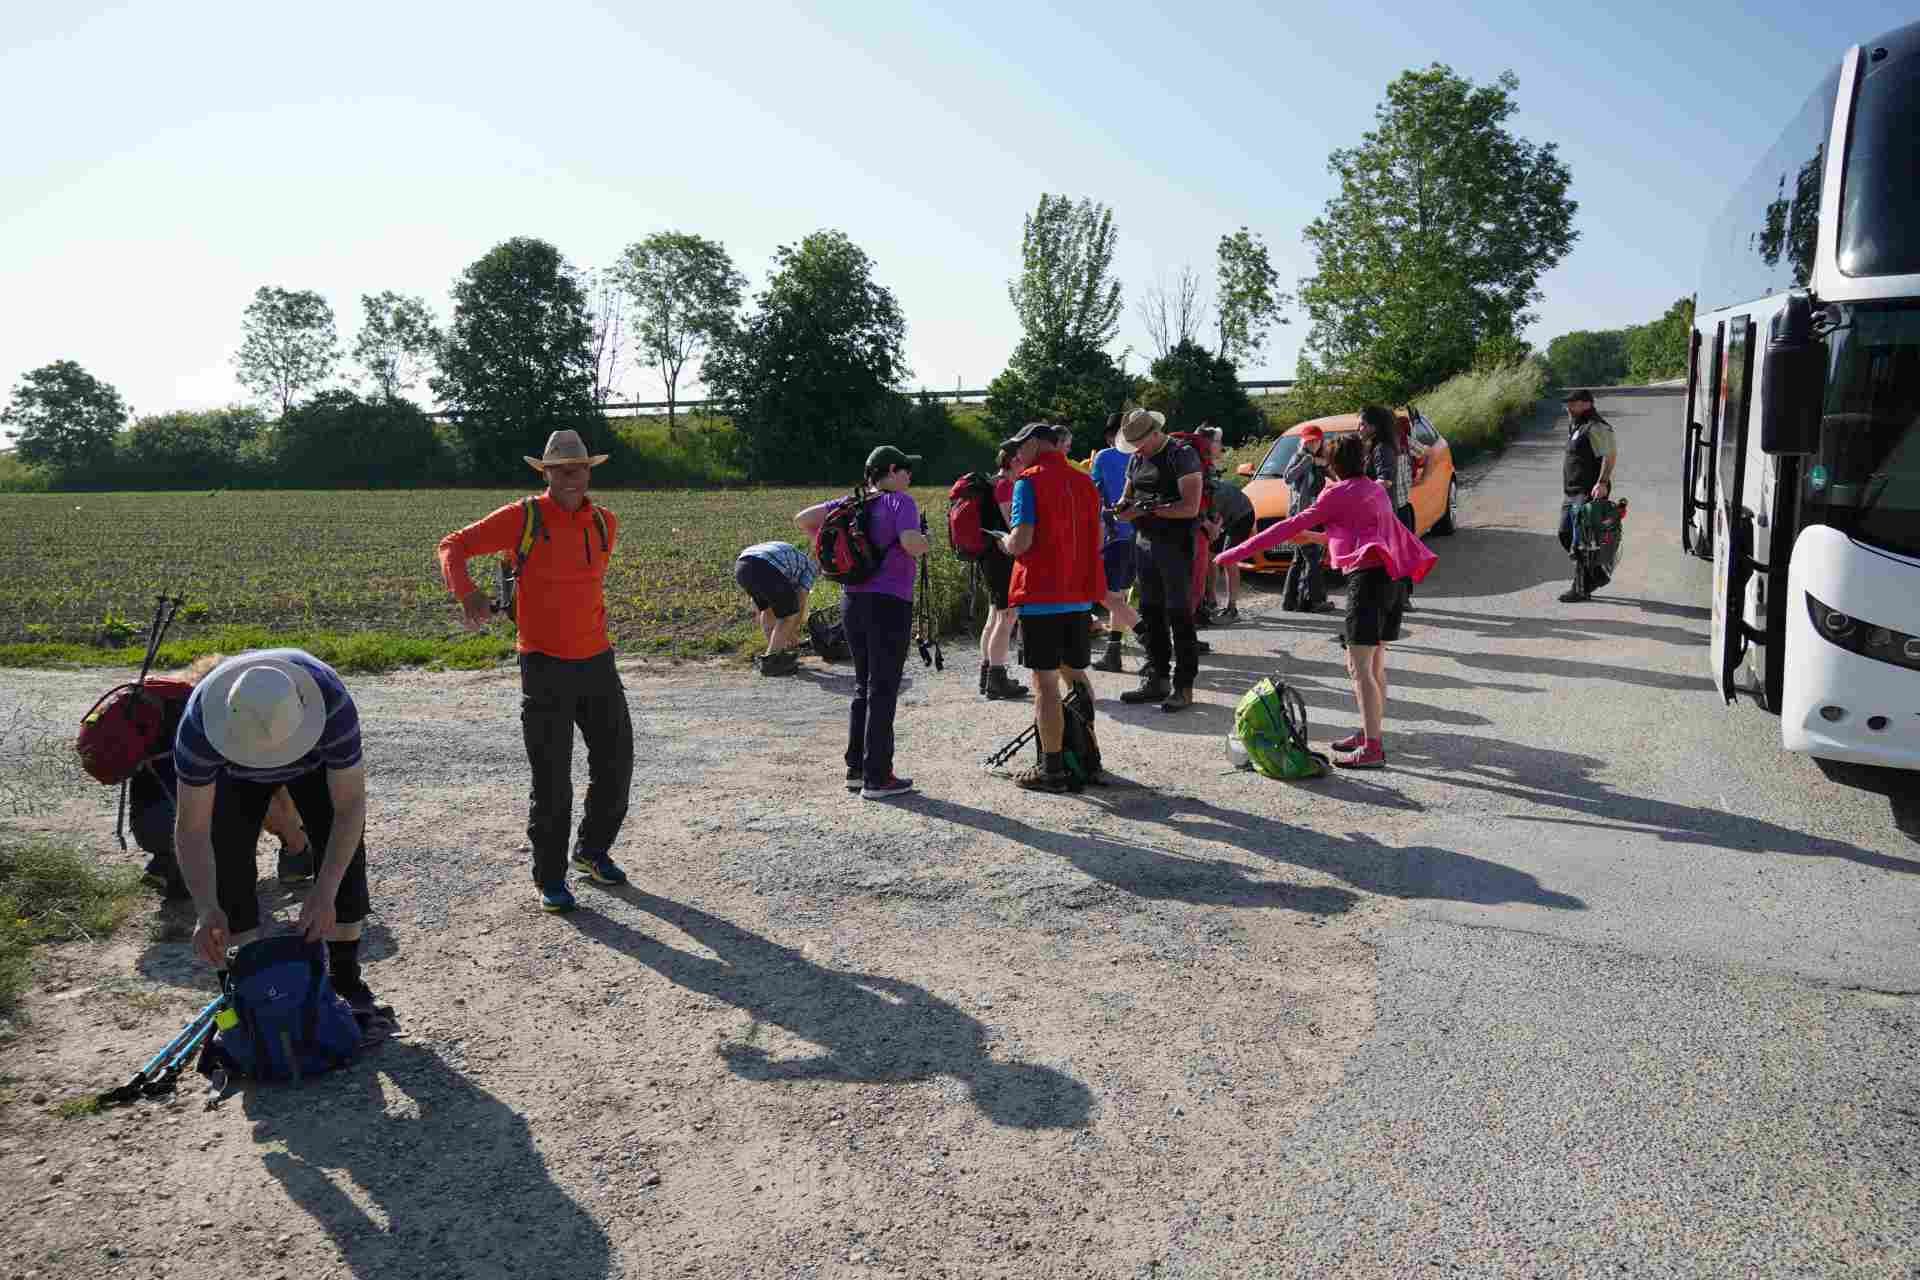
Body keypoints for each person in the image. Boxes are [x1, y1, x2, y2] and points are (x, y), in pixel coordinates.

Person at [438, 428, 633, 914]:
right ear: (546, 474)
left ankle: (591, 852)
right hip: (543, 664)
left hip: (598, 660)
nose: (571, 477)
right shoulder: (523, 517)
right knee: (552, 780)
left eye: (578, 468)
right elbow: (452, 546)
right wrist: (467, 593)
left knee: (616, 765)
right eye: (560, 470)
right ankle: (550, 878)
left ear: (589, 472)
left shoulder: (605, 522)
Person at [170, 649, 388, 1016]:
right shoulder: (199, 727)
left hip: (314, 765)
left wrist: (325, 890)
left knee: (341, 849)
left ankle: (346, 981)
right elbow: (192, 828)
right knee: (227, 860)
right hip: (234, 776)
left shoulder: (333, 705)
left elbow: (350, 807)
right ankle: (246, 987)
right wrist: (206, 908)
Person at [1216, 434, 1437, 769]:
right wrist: (1313, 537)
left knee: (1358, 668)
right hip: (1390, 579)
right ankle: (1370, 732)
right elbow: (1363, 532)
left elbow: (1285, 527)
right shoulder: (1374, 490)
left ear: (1332, 465)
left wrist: (1232, 553)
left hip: (1368, 582)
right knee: (1375, 664)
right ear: (1363, 460)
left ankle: (1373, 748)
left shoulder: (1336, 494)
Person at [128, 655, 312, 899]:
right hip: (191, 831)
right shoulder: (216, 721)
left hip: (146, 827)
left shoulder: (165, 709)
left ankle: (166, 864)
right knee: (264, 787)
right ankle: (297, 851)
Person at [992, 423, 1106, 792]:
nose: (1016, 454)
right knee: (1076, 674)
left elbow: (1022, 541)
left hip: (1041, 595)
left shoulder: (1028, 482)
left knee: (1045, 683)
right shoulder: (1085, 481)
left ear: (1036, 443)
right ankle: (1089, 758)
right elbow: (1098, 538)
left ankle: (1052, 769)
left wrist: (1005, 544)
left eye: (1019, 446)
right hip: (1078, 594)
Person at [811, 445, 930, 800]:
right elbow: (911, 544)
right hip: (889, 602)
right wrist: (926, 540)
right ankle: (878, 777)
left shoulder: (852, 503)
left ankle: (857, 769)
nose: (910, 476)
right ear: (891, 470)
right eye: (906, 469)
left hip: (853, 600)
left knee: (863, 685)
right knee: (883, 688)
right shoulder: (900, 502)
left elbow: (804, 519)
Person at [1112, 409, 1205, 712]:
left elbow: (1190, 507)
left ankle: (1184, 686)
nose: (1136, 450)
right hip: (1145, 542)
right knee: (1151, 613)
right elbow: (1127, 496)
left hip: (1176, 545)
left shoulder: (1182, 455)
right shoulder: (1137, 459)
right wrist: (1121, 509)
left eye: (1139, 443)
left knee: (1179, 614)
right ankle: (1157, 678)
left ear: (1155, 433)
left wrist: (1146, 510)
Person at [1088, 413, 1141, 673]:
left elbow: (1093, 493)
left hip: (1115, 533)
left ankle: (1146, 636)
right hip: (1141, 534)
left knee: (1107, 594)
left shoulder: (1104, 457)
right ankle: (1113, 651)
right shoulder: (1143, 455)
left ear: (1112, 436)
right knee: (1118, 594)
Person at [976, 445, 1029, 701]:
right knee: (1006, 617)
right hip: (1002, 558)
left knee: (994, 616)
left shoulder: (992, 483)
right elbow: (1012, 524)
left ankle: (987, 674)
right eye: (1021, 459)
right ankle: (997, 679)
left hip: (990, 557)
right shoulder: (1006, 486)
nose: (1025, 463)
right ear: (1012, 461)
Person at [1556, 390, 1619, 603]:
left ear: (1586, 404)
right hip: (1572, 492)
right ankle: (1597, 573)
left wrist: (1602, 482)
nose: (1568, 408)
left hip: (1587, 492)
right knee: (1565, 534)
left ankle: (1581, 588)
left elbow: (1609, 455)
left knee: (1582, 542)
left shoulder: (1596, 426)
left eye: (1572, 404)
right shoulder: (1577, 426)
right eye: (1567, 404)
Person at [734, 539, 814, 677]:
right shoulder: (810, 567)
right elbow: (800, 601)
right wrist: (793, 634)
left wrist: (789, 635)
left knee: (768, 610)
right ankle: (773, 661)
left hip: (742, 566)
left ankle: (774, 651)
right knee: (788, 616)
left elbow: (761, 606)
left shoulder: (795, 561)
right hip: (765, 567)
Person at [1201, 431, 1256, 623]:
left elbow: (1214, 524)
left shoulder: (1210, 492)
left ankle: (1232, 608)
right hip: (1225, 511)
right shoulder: (1199, 483)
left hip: (1241, 513)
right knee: (1210, 556)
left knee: (1228, 558)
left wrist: (1212, 528)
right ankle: (1211, 600)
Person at [1280, 425, 1331, 612]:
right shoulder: (1299, 457)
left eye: (1316, 440)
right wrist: (1306, 462)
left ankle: (1289, 601)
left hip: (1312, 516)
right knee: (1312, 558)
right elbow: (1288, 477)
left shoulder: (1319, 460)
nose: (1313, 444)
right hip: (1301, 517)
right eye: (1309, 441)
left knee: (1299, 559)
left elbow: (1335, 475)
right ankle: (1316, 601)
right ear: (1303, 441)